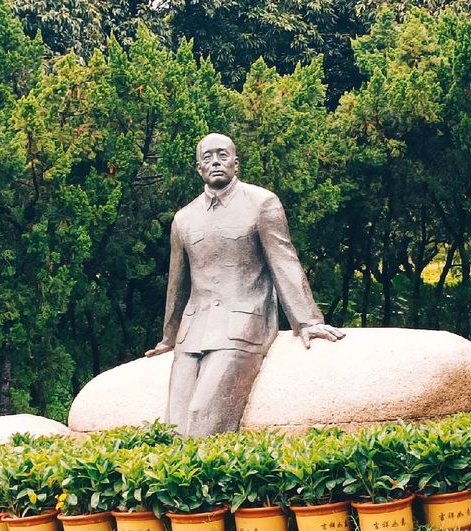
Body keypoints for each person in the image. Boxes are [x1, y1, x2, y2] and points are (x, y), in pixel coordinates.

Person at [145, 132, 344, 436]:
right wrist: (169, 338)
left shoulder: (261, 203)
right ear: (198, 167)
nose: (215, 162)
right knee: (175, 424)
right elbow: (178, 284)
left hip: (244, 325)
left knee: (202, 415)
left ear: (236, 163)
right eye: (207, 157)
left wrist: (307, 321)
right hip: (193, 331)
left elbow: (284, 261)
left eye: (222, 155)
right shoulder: (184, 219)